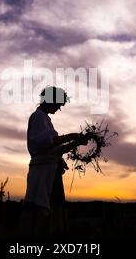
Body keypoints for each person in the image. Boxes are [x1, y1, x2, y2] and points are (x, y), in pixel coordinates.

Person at [19, 86, 90, 237]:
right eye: (58, 104)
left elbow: (55, 149)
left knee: (46, 211)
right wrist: (73, 136)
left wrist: (75, 142)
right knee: (37, 211)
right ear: (51, 100)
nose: (59, 108)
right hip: (42, 171)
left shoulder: (45, 119)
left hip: (49, 171)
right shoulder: (38, 117)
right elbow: (46, 142)